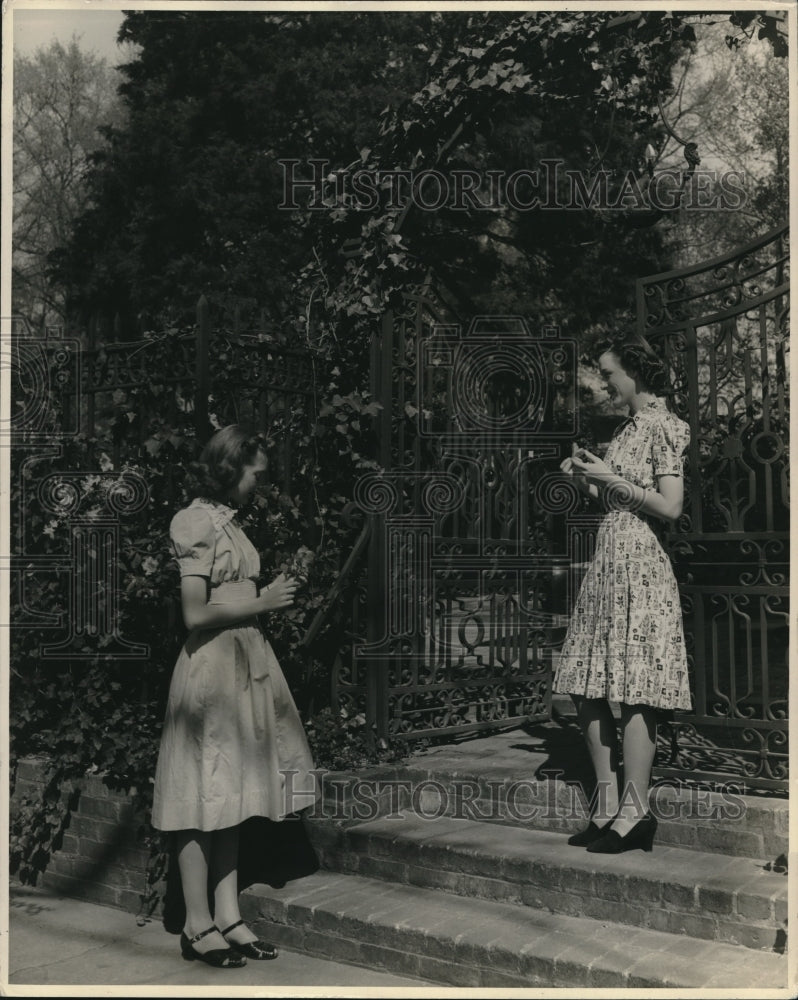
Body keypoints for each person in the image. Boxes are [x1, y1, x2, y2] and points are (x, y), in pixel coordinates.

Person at [152, 424, 317, 967]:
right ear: (231, 468)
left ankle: (229, 916)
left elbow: (235, 596)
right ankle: (197, 925)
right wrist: (264, 602)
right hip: (212, 672)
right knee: (202, 800)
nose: (259, 484)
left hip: (243, 665)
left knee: (233, 795)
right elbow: (194, 614)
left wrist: (269, 598)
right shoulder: (196, 522)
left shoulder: (229, 522)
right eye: (256, 473)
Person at [552, 334, 691, 854]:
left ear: (634, 372)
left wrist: (609, 476)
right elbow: (621, 498)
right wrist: (590, 478)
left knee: (635, 688)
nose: (605, 384)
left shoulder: (663, 424)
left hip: (641, 564)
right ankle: (607, 806)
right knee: (586, 682)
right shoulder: (627, 429)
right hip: (610, 559)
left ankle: (636, 813)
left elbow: (671, 507)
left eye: (610, 374)